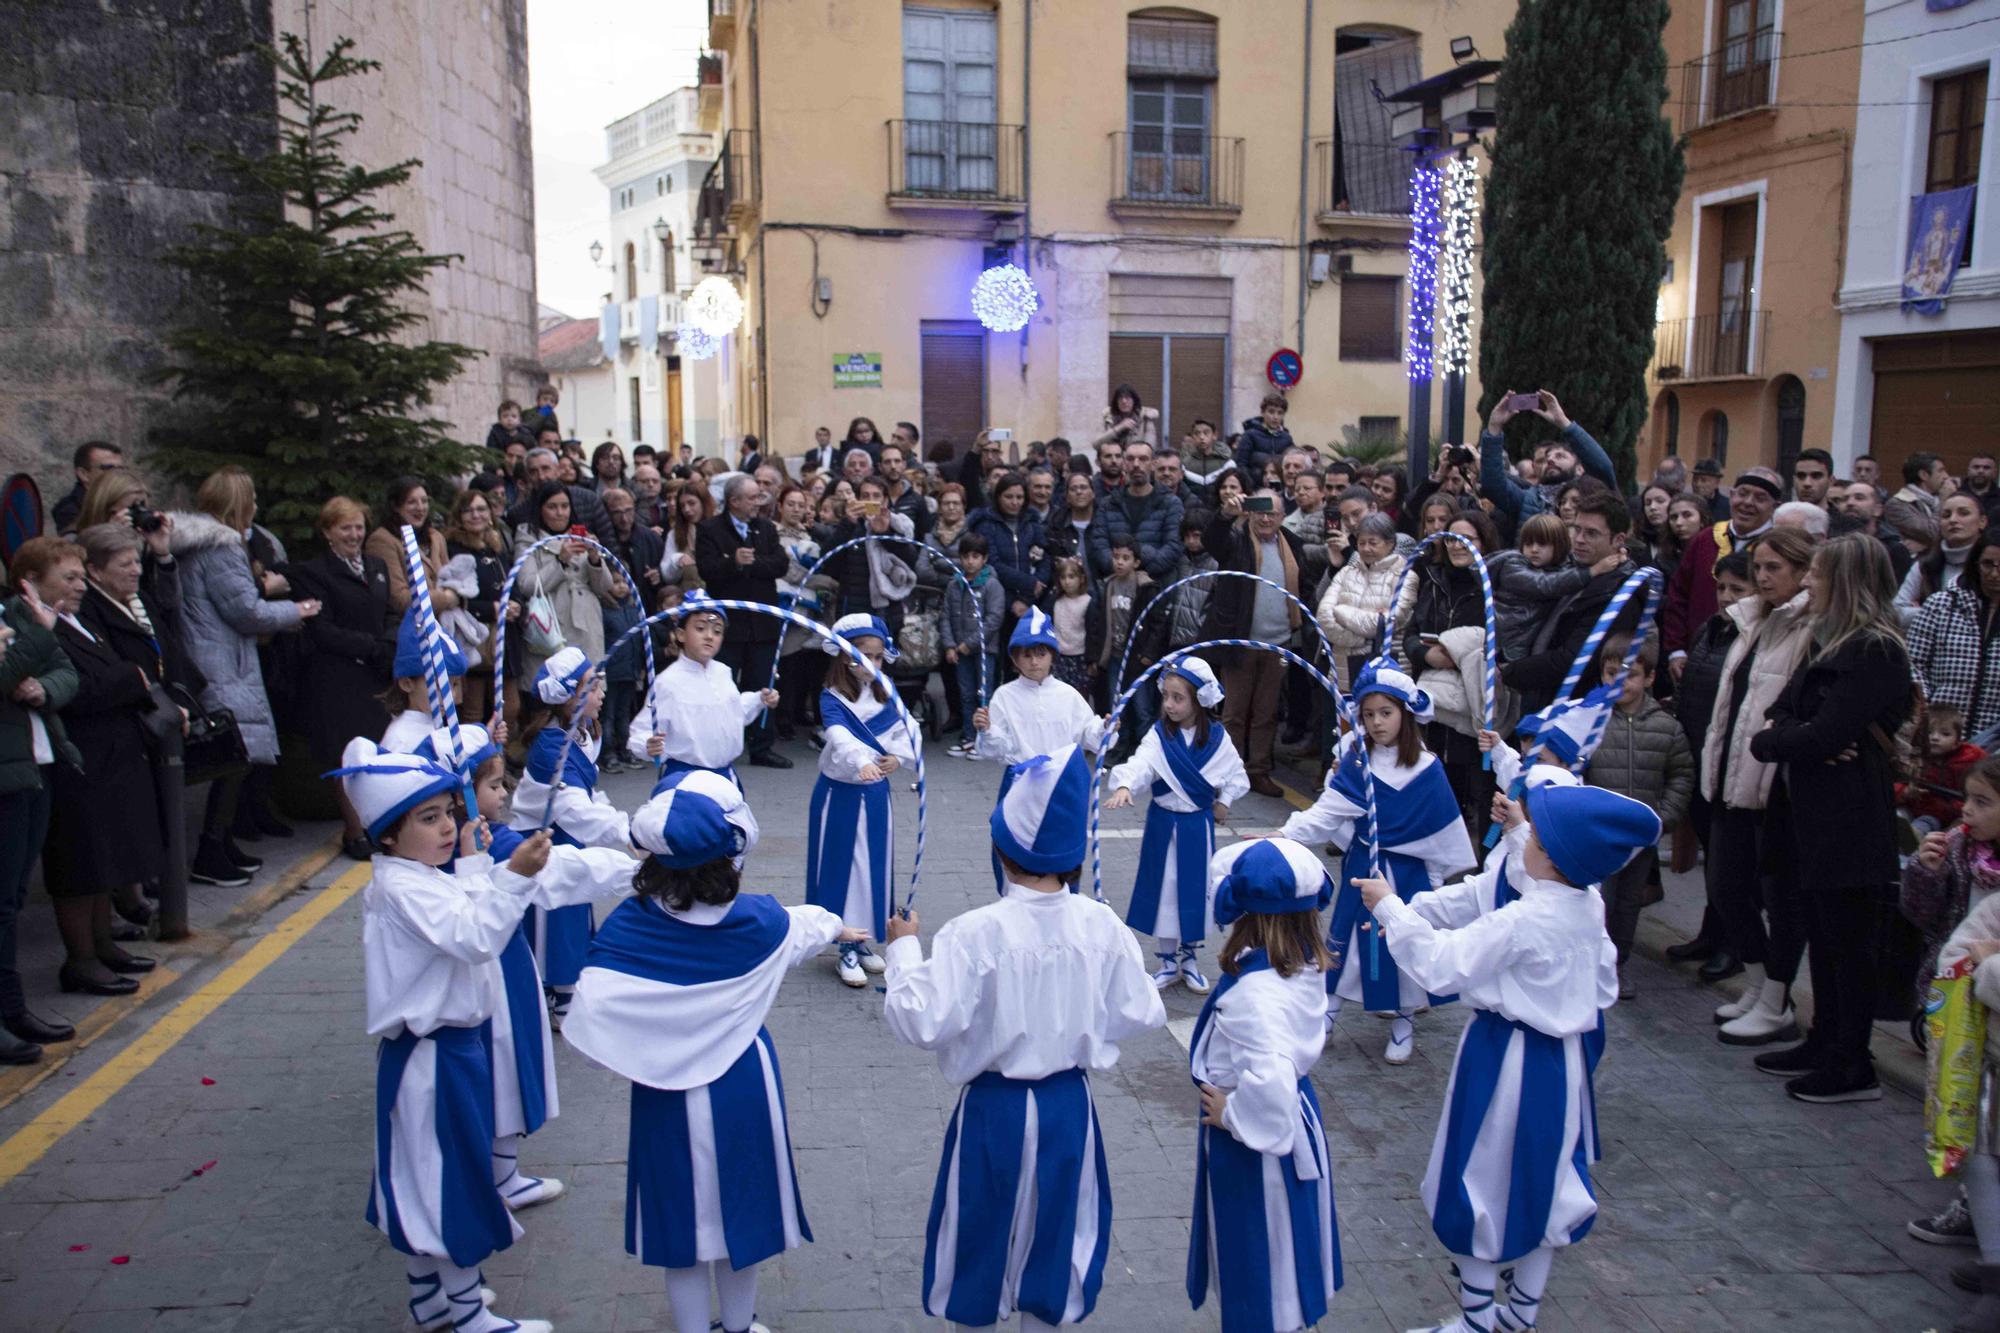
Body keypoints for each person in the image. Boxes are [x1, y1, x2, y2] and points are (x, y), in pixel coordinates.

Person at [881, 744, 1167, 1331]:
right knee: (1054, 1244)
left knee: (980, 1243)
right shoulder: (1100, 924)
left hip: (994, 1110)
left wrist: (904, 947)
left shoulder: (972, 933)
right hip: (1069, 1106)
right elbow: (1142, 1009)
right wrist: (1077, 1027)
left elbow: (921, 1020)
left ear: (1002, 849)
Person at [561, 775, 853, 1333]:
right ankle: (739, 1327)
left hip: (662, 1090)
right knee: (741, 1218)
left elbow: (595, 993)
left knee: (681, 1232)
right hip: (743, 1083)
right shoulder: (762, 922)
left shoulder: (629, 925)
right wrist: (840, 927)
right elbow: (807, 925)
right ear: (729, 860)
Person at [1360, 783, 1653, 1333]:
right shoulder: (1587, 904)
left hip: (1505, 1060)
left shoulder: (1523, 921)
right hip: (1562, 1066)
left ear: (1555, 855)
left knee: (1476, 1182)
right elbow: (1603, 984)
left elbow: (1443, 965)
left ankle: (1476, 1321)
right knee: (1545, 1186)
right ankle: (1521, 1316)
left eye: (1537, 838)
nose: (1527, 845)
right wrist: (1523, 830)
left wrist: (1391, 909)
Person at [341, 740, 561, 1333]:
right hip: (431, 1060)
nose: (448, 826)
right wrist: (515, 876)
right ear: (387, 834)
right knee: (449, 1183)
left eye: (448, 811)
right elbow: (472, 936)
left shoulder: (417, 876)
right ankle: (466, 1317)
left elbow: (467, 902)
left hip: (445, 1056)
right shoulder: (402, 888)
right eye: (429, 817)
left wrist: (476, 864)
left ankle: (433, 1302)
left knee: (427, 1179)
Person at [1746, 533, 1911, 1101]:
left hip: (1851, 818)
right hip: (1810, 814)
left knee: (1850, 944)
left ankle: (1852, 1060)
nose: (1807, 583)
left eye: (1816, 574)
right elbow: (1779, 721)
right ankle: (1825, 1038)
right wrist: (1794, 737)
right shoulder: (1828, 642)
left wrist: (1792, 737)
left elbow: (1824, 733)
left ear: (1843, 582)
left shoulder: (1876, 650)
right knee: (1823, 935)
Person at [1280, 657, 1476, 1064]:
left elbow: (1441, 836)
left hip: (1408, 875)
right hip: (1361, 870)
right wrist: (1282, 835)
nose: (1376, 723)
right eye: (1368, 715)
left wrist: (1436, 887)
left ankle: (1404, 1020)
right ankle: (1326, 1016)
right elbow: (1325, 814)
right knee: (1345, 941)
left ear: (1406, 714)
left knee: (1401, 944)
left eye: (1386, 713)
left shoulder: (1428, 769)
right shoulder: (1357, 763)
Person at [1183, 837, 1341, 1333]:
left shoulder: (1257, 994)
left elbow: (1270, 1082)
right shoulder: (1299, 961)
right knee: (1286, 1261)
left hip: (1258, 1147)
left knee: (1263, 1270)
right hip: (1294, 1121)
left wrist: (1231, 1113)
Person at [23, 535, 163, 1002]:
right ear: (32, 582)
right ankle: (80, 958)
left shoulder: (76, 621)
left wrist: (127, 678)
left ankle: (103, 944)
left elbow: (117, 672)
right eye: (69, 578)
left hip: (109, 754)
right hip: (76, 759)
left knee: (104, 856)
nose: (80, 586)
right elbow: (82, 687)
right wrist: (130, 679)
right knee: (79, 862)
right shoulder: (32, 626)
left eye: (82, 577)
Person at [171, 467, 319, 886]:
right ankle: (210, 850)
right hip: (224, 665)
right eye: (251, 497)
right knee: (232, 758)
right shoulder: (221, 548)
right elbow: (245, 610)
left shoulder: (196, 545)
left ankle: (219, 843)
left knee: (233, 760)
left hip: (217, 658)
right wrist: (298, 610)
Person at [1700, 527, 1819, 1045]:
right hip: (1730, 773)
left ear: (1800, 571)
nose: (1764, 578)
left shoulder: (1810, 628)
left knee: (1778, 894)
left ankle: (1777, 998)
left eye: (1775, 569)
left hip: (1773, 786)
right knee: (1726, 887)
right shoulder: (1750, 621)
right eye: (1760, 569)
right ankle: (1757, 984)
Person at [1104, 654, 1247, 994]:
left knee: (1195, 891)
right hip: (1163, 825)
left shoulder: (1217, 739)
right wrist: (1125, 784)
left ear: (1199, 700)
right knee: (1164, 891)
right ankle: (1168, 960)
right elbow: (1142, 763)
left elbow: (1236, 774)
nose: (1168, 704)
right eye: (1165, 696)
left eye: (1177, 697)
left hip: (1198, 825)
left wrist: (1223, 801)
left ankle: (1190, 959)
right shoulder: (1158, 736)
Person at [510, 650, 629, 1027]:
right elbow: (576, 809)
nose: (601, 693)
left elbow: (585, 801)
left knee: (572, 911)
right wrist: (628, 832)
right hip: (543, 845)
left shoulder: (576, 736)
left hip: (564, 839)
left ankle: (560, 988)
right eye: (592, 686)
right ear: (569, 698)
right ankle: (559, 995)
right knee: (556, 918)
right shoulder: (551, 750)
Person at [804, 614, 917, 986]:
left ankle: (865, 940)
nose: (871, 664)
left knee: (873, 868)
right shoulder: (832, 697)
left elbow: (908, 729)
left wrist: (898, 758)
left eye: (878, 656)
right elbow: (839, 737)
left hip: (876, 794)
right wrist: (862, 762)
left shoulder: (887, 693)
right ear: (843, 658)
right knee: (842, 870)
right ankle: (843, 944)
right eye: (861, 656)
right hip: (841, 795)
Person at [1582, 632, 1693, 998]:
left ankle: (1618, 964)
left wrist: (1663, 818)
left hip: (1640, 836)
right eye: (1611, 672)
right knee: (1599, 900)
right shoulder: (1589, 721)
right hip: (1598, 836)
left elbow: (1681, 774)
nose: (1619, 682)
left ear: (1648, 678)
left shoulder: (1667, 727)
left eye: (1629, 674)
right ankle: (1588, 963)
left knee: (1628, 904)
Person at [0, 566, 79, 1063]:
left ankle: (12, 1010)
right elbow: (5, 674)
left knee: (9, 901)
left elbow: (61, 666)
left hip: (32, 765)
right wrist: (37, 634)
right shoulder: (26, 619)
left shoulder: (12, 614)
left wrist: (43, 684)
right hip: (8, 774)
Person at [288, 497, 396, 858]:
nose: (354, 534)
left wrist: (387, 647)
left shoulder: (376, 566)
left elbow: (387, 613)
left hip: (375, 674)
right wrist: (371, 646)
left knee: (375, 752)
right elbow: (322, 629)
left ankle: (377, 822)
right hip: (337, 676)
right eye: (345, 528)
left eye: (359, 526)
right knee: (345, 756)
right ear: (327, 532)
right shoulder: (314, 573)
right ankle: (354, 831)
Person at [1403, 511, 1507, 843]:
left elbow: (1499, 637)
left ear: (1484, 541)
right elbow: (1411, 633)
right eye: (1451, 538)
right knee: (1439, 777)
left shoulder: (1493, 583)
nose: (1458, 546)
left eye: (1468, 539)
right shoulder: (1432, 579)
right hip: (1436, 696)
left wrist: (1458, 652)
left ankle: (1484, 858)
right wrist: (1425, 654)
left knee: (1480, 779)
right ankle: (1442, 850)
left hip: (1475, 699)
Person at [1204, 487, 1308, 797]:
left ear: (1282, 517)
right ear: (1250, 512)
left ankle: (1259, 771)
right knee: (1235, 712)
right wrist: (1225, 515)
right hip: (1242, 640)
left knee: (1267, 712)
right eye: (1259, 511)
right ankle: (1228, 774)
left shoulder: (1293, 543)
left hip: (1278, 644)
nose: (1265, 518)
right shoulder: (1236, 541)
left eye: (1272, 512)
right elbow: (1213, 540)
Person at [1501, 491, 1639, 715]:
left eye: (1592, 533)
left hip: (1569, 708)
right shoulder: (1572, 570)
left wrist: (1508, 671)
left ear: (1618, 540)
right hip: (1539, 696)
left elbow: (1571, 660)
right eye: (1577, 529)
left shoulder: (1618, 592)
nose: (1580, 539)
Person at [696, 474, 793, 769]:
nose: (758, 502)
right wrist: (733, 562)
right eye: (752, 497)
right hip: (728, 626)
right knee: (722, 686)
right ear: (734, 501)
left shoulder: (765, 528)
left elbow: (780, 564)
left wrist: (753, 564)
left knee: (763, 685)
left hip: (762, 622)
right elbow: (707, 569)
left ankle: (762, 745)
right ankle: (717, 744)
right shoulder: (710, 529)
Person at [627, 596, 775, 787]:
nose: (709, 636)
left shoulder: (723, 672)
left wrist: (759, 699)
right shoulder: (667, 682)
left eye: (717, 631)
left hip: (725, 778)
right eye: (700, 629)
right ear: (680, 635)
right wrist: (647, 744)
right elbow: (643, 728)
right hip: (683, 780)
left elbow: (734, 712)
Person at [510, 483, 619, 687]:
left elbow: (604, 587)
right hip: (551, 627)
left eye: (565, 506)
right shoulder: (527, 538)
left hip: (586, 624)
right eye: (552, 507)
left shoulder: (582, 535)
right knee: (555, 693)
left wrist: (595, 559)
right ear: (540, 509)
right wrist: (560, 560)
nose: (560, 513)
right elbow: (527, 585)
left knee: (589, 694)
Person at [1911, 533, 2000, 758]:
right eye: (1988, 564)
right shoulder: (1942, 604)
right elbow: (1913, 661)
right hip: (1936, 733)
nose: (1994, 574)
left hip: (1992, 743)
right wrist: (1927, 707)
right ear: (1975, 564)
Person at [1477, 389, 1618, 524]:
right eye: (1546, 459)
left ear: (1580, 468)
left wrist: (1564, 423)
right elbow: (1492, 483)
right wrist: (1494, 427)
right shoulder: (1528, 499)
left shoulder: (1592, 495)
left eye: (1560, 456)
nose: (1550, 460)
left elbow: (1602, 467)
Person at [1316, 512, 1411, 693]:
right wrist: (1360, 638)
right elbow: (1323, 617)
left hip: (1387, 668)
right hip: (1343, 670)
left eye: (1373, 543)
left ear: (1390, 544)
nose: (1366, 548)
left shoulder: (1405, 576)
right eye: (1361, 543)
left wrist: (1341, 611)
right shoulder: (1346, 573)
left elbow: (1392, 620)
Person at [442, 487, 512, 726]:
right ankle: (475, 761)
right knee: (474, 708)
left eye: (481, 509)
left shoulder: (496, 545)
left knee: (508, 706)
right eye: (468, 510)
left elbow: (510, 579)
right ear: (459, 516)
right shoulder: (454, 548)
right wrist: (490, 608)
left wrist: (516, 604)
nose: (475, 515)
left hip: (502, 634)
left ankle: (500, 758)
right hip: (472, 634)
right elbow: (456, 596)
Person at [1487, 512, 1591, 665]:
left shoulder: (1564, 567)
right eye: (1529, 544)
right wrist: (1591, 572)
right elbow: (1545, 585)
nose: (1534, 549)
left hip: (1531, 642)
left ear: (1559, 545)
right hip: (1507, 644)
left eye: (1542, 544)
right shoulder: (1513, 566)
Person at [969, 473, 1050, 651]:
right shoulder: (986, 525)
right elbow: (993, 565)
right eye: (1009, 497)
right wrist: (1014, 598)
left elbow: (1044, 560)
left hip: (1030, 602)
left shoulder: (1031, 523)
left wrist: (1026, 598)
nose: (1015, 502)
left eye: (1019, 497)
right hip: (996, 603)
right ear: (998, 497)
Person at [942, 533, 1004, 757]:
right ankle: (968, 736)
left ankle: (984, 738)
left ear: (984, 559)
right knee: (966, 694)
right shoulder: (954, 585)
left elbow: (994, 620)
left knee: (983, 694)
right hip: (960, 651)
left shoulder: (991, 585)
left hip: (984, 651)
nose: (970, 561)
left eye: (975, 556)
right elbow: (946, 616)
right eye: (966, 556)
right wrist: (950, 645)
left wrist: (970, 643)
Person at [365, 477, 458, 618]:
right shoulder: (382, 540)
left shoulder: (435, 537)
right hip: (413, 631)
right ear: (396, 506)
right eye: (411, 502)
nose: (420, 508)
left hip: (445, 626)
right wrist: (447, 598)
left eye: (424, 501)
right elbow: (399, 600)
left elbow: (455, 582)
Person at [1899, 489, 1989, 623]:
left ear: (1982, 521)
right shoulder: (1924, 565)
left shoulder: (1994, 563)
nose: (1953, 520)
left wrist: (1925, 611)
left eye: (1963, 513)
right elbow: (1895, 612)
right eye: (1946, 515)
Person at [1900, 704, 1986, 835]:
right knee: (1904, 817)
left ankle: (1914, 837)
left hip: (1952, 814)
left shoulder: (1971, 759)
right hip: (1918, 809)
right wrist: (1904, 792)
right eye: (1929, 733)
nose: (1935, 738)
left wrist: (1957, 807)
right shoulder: (1911, 756)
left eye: (1945, 734)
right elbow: (1893, 780)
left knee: (1933, 824)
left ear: (1957, 742)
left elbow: (1983, 788)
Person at [1047, 555, 1094, 700]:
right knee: (1059, 695)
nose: (1067, 582)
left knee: (1079, 696)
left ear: (1081, 578)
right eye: (1063, 577)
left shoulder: (1087, 602)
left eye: (1071, 577)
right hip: (1060, 657)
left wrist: (1092, 660)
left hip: (1079, 657)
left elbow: (1093, 632)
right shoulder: (1056, 601)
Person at [52, 441, 122, 535]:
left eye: (120, 469)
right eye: (108, 468)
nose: (117, 474)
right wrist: (112, 529)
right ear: (83, 474)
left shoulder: (123, 501)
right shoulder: (69, 510)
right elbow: (79, 546)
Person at [1235, 392, 1295, 487]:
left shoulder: (1287, 438)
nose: (1275, 417)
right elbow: (1241, 464)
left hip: (1280, 487)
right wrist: (1249, 486)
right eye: (1271, 412)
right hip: (1255, 487)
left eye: (1280, 413)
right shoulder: (1250, 435)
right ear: (1263, 412)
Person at [1887, 450, 1950, 541]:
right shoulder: (1897, 505)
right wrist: (1943, 501)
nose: (1946, 476)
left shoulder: (1939, 499)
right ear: (1923, 475)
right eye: (1940, 471)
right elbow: (1931, 533)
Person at [1181, 418, 1237, 504]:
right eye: (1197, 433)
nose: (1201, 437)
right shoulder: (1184, 465)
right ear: (1192, 437)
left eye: (1206, 433)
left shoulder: (1227, 464)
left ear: (1214, 435)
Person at [1097, 382, 1161, 450]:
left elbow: (1150, 448)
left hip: (1136, 458)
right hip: (1114, 458)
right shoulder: (1108, 417)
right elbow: (1096, 444)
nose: (1124, 401)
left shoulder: (1145, 417)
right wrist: (1120, 427)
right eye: (1120, 398)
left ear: (1134, 400)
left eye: (1127, 397)